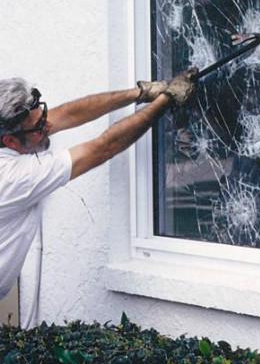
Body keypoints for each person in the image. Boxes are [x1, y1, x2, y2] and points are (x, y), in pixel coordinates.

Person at [0, 70, 197, 300]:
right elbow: (103, 147)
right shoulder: (14, 178)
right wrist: (166, 99)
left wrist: (142, 93)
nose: (49, 124)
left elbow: (68, 113)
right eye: (39, 126)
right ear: (10, 141)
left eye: (43, 116)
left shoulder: (18, 135)